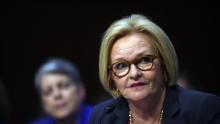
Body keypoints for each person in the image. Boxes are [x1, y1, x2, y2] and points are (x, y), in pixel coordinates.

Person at [90, 14, 220, 124]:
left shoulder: (203, 109)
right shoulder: (102, 116)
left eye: (144, 60)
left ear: (164, 62)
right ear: (111, 76)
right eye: (121, 66)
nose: (134, 74)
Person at [31, 58, 92, 124]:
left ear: (81, 90)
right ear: (42, 102)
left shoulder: (100, 118)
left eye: (63, 86)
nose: (57, 95)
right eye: (48, 91)